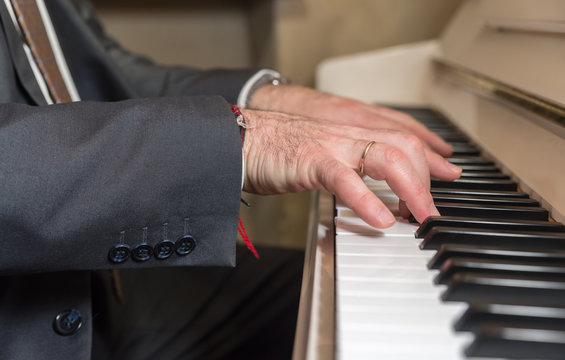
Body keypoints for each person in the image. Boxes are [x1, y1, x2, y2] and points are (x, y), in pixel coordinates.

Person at [0, 0, 462, 359]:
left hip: (89, 283)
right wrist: (241, 138)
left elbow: (86, 66)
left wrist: (267, 98)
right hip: (17, 325)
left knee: (354, 302)